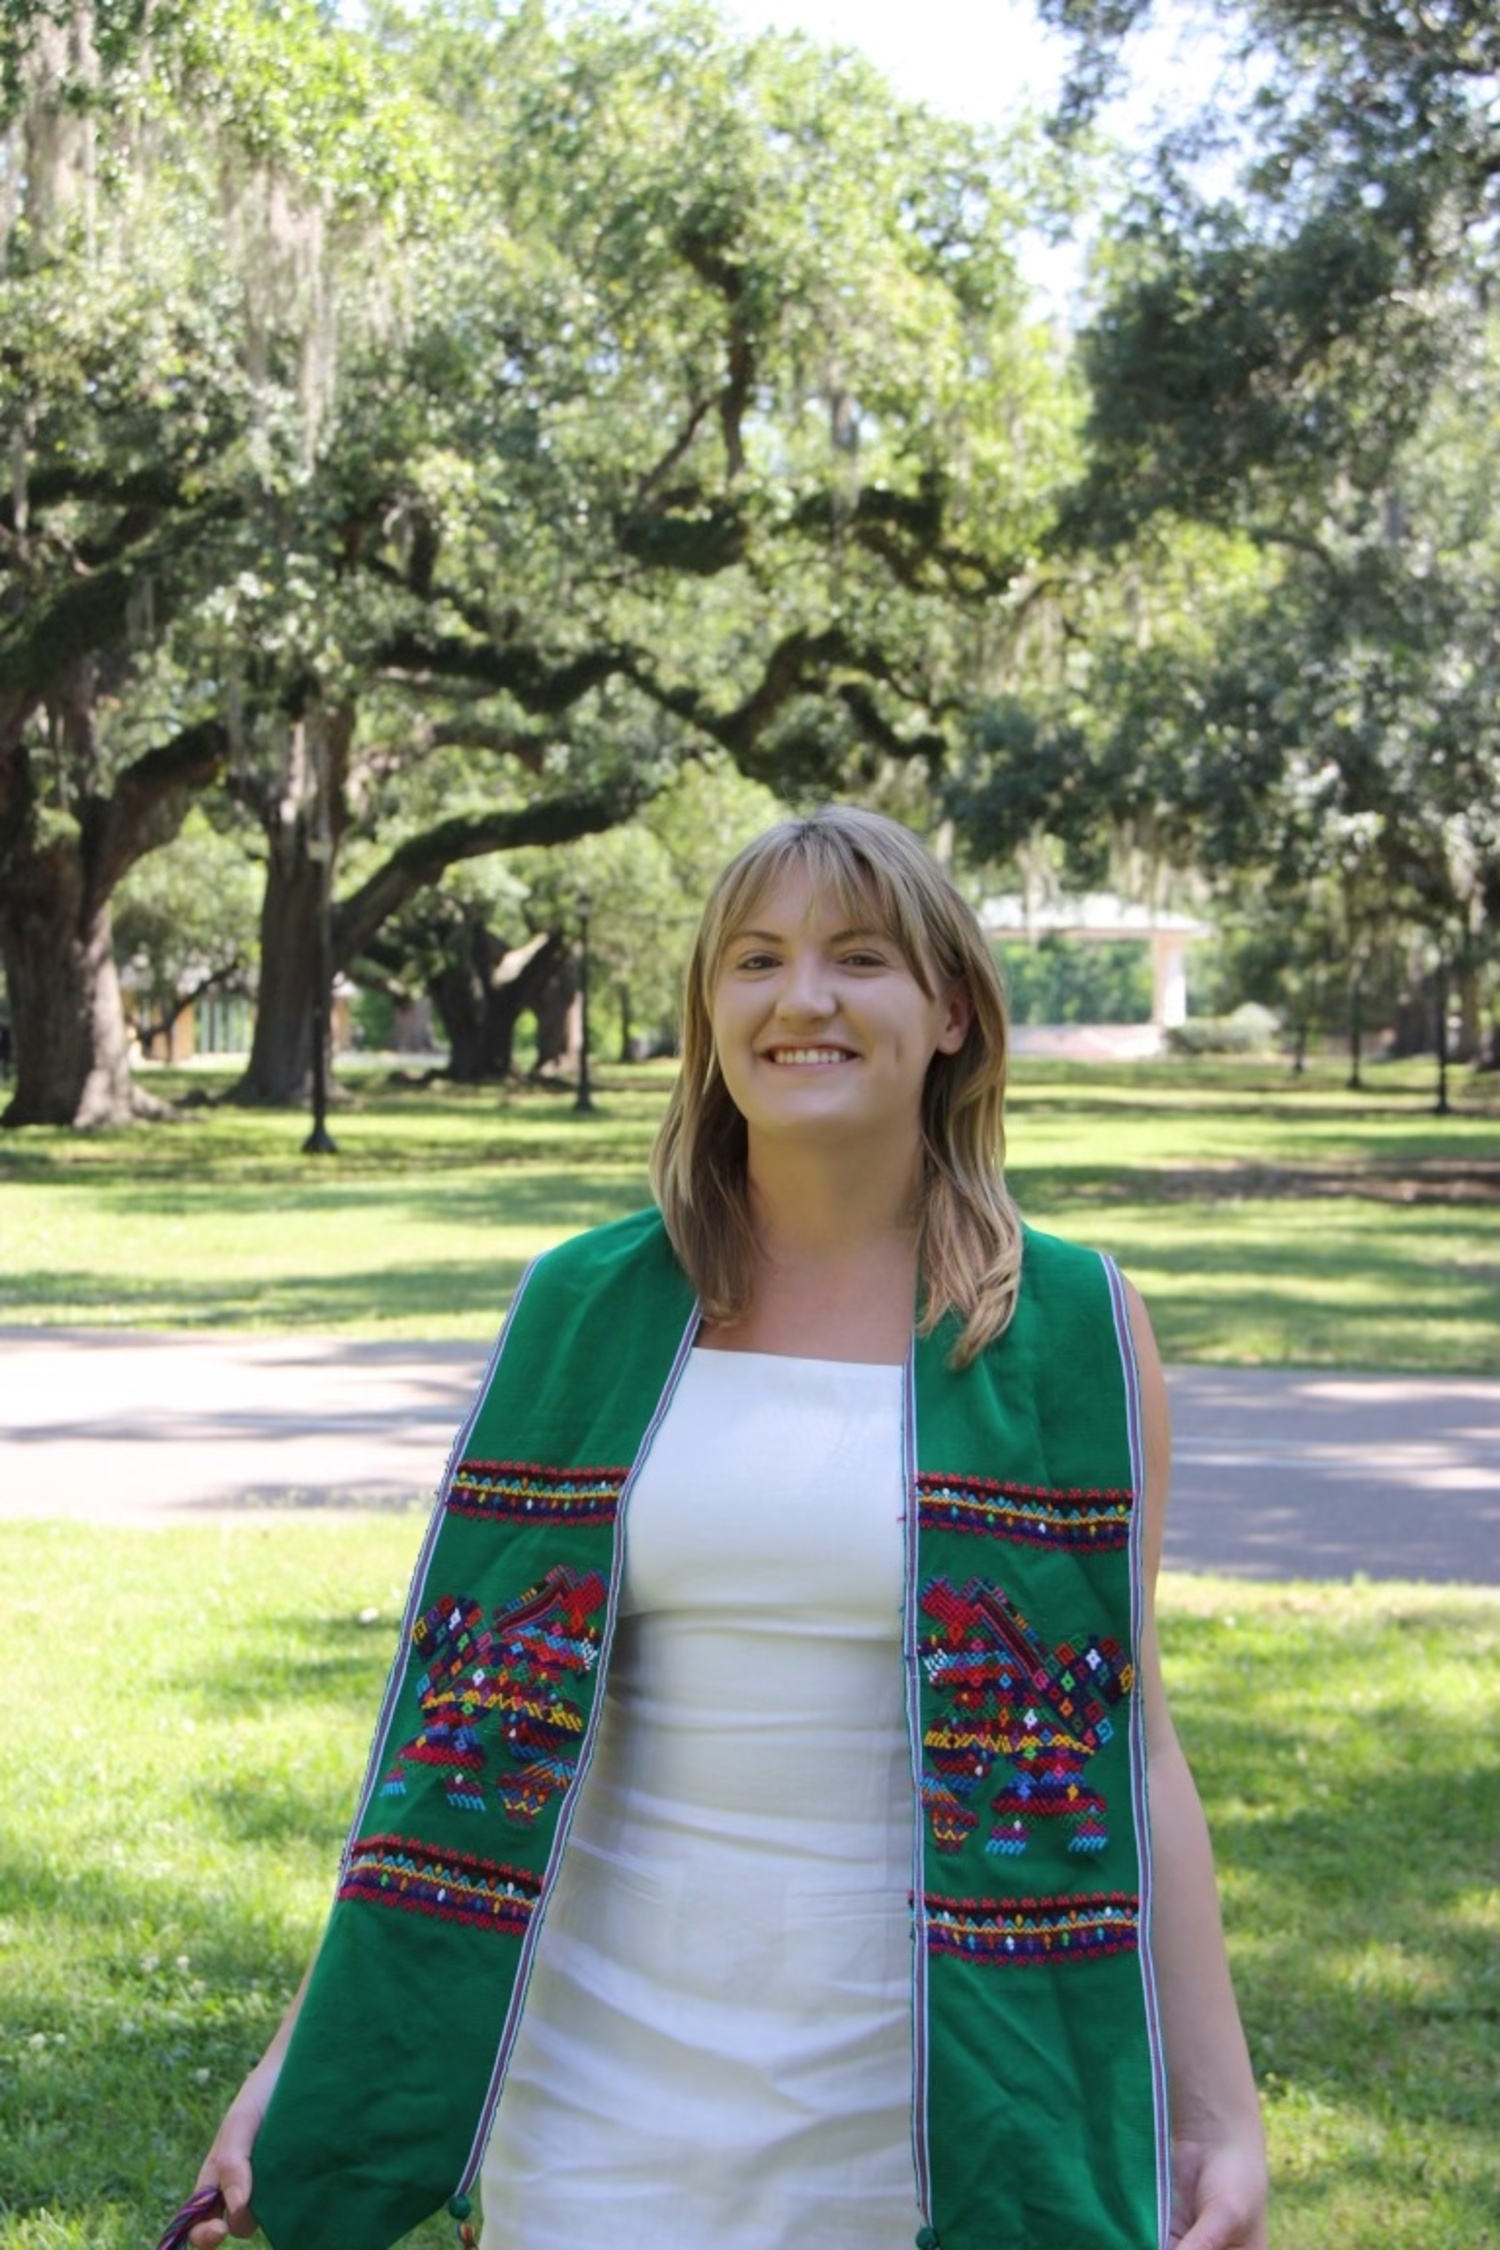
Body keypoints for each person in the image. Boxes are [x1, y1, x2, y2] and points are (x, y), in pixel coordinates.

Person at [181, 806, 1267, 2250]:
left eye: (859, 957)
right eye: (755, 958)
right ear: (710, 1007)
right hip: (597, 2104)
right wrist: (291, 2065)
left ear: (951, 1010)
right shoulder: (582, 1310)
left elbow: (1126, 1738)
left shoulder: (1069, 1329)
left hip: (937, 2112)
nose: (801, 997)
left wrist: (1215, 2112)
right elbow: (454, 1738)